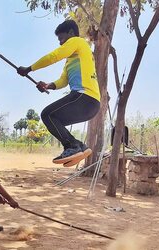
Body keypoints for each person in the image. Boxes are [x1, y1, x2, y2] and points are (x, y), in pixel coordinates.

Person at [17, 20, 100, 165]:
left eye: (61, 38)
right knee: (54, 120)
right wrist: (48, 86)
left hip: (84, 97)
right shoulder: (72, 59)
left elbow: (54, 56)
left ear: (71, 33)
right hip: (90, 105)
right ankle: (79, 146)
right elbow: (63, 80)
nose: (60, 43)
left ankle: (73, 146)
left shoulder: (78, 42)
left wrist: (29, 69)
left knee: (47, 114)